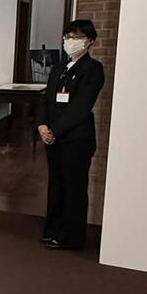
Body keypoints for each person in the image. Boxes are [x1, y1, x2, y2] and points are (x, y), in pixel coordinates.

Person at [37, 19, 105, 251]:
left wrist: (55, 130)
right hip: (52, 137)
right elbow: (46, 99)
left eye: (76, 37)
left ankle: (71, 237)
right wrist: (42, 125)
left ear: (90, 41)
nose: (70, 41)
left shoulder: (93, 69)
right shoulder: (59, 68)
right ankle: (52, 229)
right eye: (67, 37)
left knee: (74, 187)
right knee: (56, 185)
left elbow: (81, 106)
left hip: (76, 138)